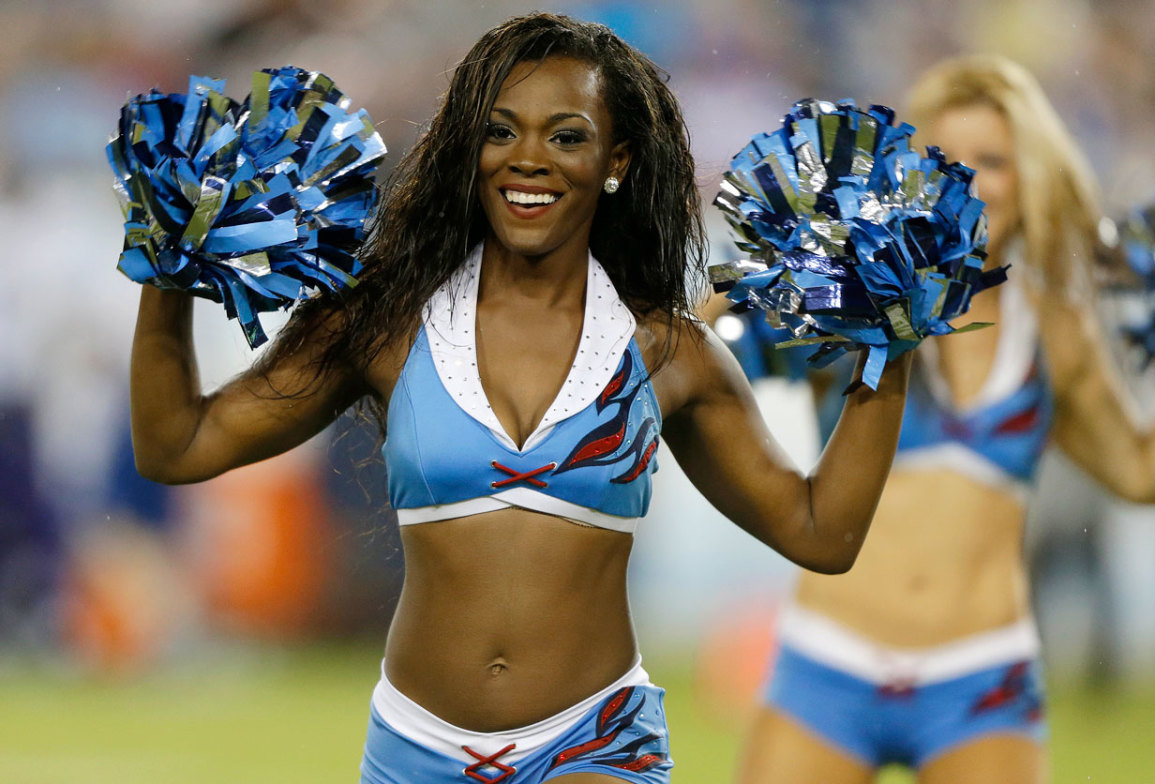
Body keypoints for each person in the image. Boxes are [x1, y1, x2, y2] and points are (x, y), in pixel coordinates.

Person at [128, 13, 913, 784]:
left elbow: (821, 534)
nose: (528, 159)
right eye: (501, 132)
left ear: (616, 159)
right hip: (413, 749)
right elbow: (177, 447)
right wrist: (167, 267)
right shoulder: (385, 323)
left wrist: (890, 339)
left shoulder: (669, 351)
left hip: (595, 744)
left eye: (567, 136)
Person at [735, 54, 1155, 784]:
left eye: (996, 162)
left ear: (1031, 179)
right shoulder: (850, 301)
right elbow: (720, 343)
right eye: (949, 160)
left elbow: (1142, 474)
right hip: (827, 666)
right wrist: (777, 265)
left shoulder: (1055, 328)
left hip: (981, 680)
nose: (971, 182)